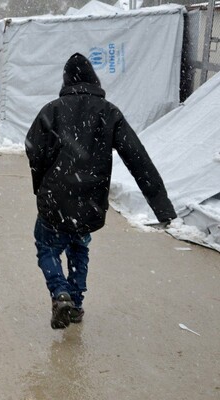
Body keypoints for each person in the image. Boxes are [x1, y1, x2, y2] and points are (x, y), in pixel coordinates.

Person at [25, 53, 177, 330]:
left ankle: (60, 294)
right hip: (90, 200)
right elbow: (137, 157)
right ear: (94, 77)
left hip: (55, 198)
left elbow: (33, 148)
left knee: (46, 247)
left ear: (66, 79)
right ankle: (77, 303)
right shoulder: (108, 112)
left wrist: (41, 183)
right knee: (79, 249)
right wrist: (162, 205)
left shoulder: (53, 110)